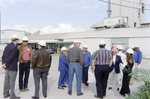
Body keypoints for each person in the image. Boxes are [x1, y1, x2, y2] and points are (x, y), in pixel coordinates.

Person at [2, 34, 20, 99]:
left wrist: (4, 63)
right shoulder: (14, 47)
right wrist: (6, 63)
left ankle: (5, 94)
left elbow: (3, 56)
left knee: (6, 81)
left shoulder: (7, 46)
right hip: (12, 67)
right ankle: (12, 96)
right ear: (16, 40)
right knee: (12, 81)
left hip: (7, 67)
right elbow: (11, 57)